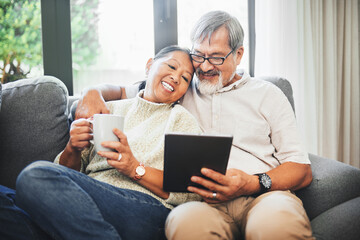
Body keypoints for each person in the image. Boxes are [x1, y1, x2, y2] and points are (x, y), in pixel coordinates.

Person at [75, 11, 315, 240]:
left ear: (239, 54)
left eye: (217, 57)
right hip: (203, 203)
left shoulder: (268, 94)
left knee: (273, 228)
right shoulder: (180, 85)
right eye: (199, 55)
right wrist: (90, 92)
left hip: (264, 196)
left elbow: (301, 169)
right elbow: (121, 91)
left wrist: (252, 182)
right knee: (184, 223)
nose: (205, 66)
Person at [0, 45, 202, 240]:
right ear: (149, 66)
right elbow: (64, 176)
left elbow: (188, 193)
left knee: (35, 175)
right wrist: (73, 147)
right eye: (172, 66)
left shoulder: (182, 120)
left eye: (185, 78)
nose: (176, 77)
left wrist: (134, 168)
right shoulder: (109, 109)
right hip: (82, 206)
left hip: (142, 209)